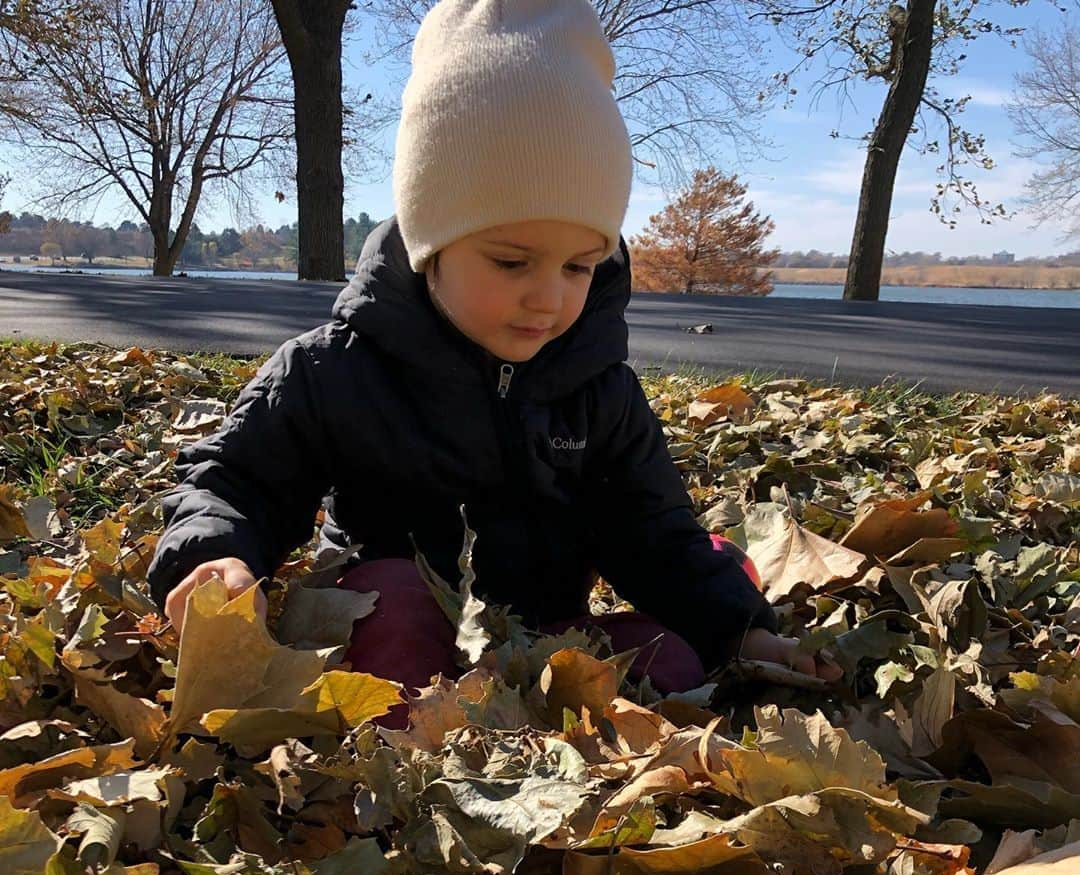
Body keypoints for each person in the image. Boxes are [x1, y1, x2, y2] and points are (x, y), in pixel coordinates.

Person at [146, 0, 841, 728]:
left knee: (668, 660)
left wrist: (740, 628)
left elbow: (652, 532)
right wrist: (218, 557)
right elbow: (237, 478)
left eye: (580, 266)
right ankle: (420, 739)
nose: (548, 297)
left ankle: (677, 642)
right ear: (428, 243)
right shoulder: (334, 368)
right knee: (393, 619)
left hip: (541, 633)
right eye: (511, 261)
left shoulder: (597, 388)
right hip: (395, 609)